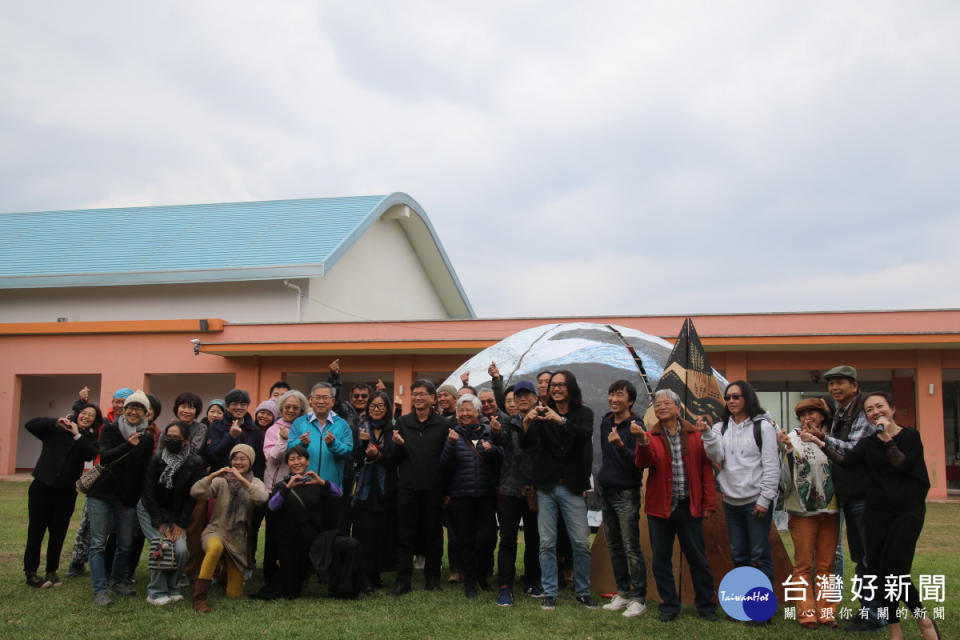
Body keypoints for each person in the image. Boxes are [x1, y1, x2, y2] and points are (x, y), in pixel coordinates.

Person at [809, 392, 939, 640]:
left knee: (896, 572)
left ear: (892, 409)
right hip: (877, 513)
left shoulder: (909, 436)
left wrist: (886, 437)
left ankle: (924, 620)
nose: (875, 412)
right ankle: (895, 630)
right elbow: (847, 461)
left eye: (879, 407)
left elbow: (901, 464)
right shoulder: (869, 443)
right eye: (869, 410)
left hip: (907, 513)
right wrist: (820, 443)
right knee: (879, 573)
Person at [814, 365, 885, 632]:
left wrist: (823, 438)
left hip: (866, 496)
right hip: (850, 494)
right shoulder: (840, 415)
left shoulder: (863, 412)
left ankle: (875, 615)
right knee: (860, 556)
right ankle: (868, 611)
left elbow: (854, 451)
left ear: (854, 385)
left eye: (840, 383)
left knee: (869, 556)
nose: (834, 388)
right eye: (831, 383)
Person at [638, 389, 718, 623]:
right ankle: (669, 605)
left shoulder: (695, 434)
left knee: (698, 558)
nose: (661, 407)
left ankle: (706, 606)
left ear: (677, 407)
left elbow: (706, 470)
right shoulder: (650, 436)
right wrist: (642, 442)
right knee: (661, 559)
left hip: (688, 505)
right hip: (659, 508)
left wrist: (708, 502)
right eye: (657, 404)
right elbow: (644, 462)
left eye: (666, 403)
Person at [520, 370, 597, 610]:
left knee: (581, 543)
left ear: (571, 388)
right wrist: (527, 421)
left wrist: (559, 420)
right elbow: (527, 444)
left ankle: (582, 591)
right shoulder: (542, 414)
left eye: (561, 385)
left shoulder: (584, 413)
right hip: (546, 487)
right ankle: (550, 592)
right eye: (553, 385)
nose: (556, 388)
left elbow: (584, 435)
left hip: (572, 487)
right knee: (546, 543)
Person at [701, 380, 779, 598]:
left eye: (736, 396)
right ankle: (744, 602)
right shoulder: (721, 427)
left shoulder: (762, 426)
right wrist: (707, 435)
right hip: (731, 501)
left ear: (748, 398)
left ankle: (762, 606)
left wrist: (765, 499)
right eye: (728, 398)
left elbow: (772, 465)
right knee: (738, 554)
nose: (731, 401)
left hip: (755, 500)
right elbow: (716, 457)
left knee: (760, 554)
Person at [85, 390, 156, 606]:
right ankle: (99, 589)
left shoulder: (147, 437)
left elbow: (144, 469)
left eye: (139, 409)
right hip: (101, 494)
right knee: (98, 543)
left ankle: (117, 581)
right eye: (130, 407)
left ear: (145, 413)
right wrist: (128, 444)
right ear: (123, 410)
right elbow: (104, 456)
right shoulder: (110, 429)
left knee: (125, 543)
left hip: (127, 498)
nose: (134, 412)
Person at [251, 446, 349, 600]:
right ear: (287, 464)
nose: (296, 462)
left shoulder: (316, 483)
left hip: (316, 537)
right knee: (290, 590)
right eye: (292, 459)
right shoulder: (282, 486)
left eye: (300, 458)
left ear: (308, 461)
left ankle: (342, 586)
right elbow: (272, 506)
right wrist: (288, 488)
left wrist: (322, 482)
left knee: (348, 545)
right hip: (291, 538)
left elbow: (339, 494)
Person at [23, 403, 100, 588]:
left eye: (91, 415)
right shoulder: (56, 430)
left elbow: (90, 454)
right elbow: (31, 425)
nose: (86, 416)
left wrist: (77, 434)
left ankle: (51, 571)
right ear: (77, 414)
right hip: (41, 487)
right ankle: (31, 573)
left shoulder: (89, 439)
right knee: (36, 531)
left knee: (58, 533)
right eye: (84, 413)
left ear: (94, 421)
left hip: (66, 493)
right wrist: (54, 421)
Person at [779, 397, 840, 630]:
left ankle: (827, 612)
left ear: (823, 416)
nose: (808, 418)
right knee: (803, 564)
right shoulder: (791, 439)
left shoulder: (832, 440)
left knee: (826, 564)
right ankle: (806, 614)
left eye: (813, 413)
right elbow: (783, 475)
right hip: (801, 510)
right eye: (804, 415)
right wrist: (783, 448)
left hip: (831, 508)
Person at [387, 379, 449, 595]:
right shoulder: (402, 422)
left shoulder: (442, 425)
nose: (418, 398)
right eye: (414, 394)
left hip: (434, 489)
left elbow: (447, 460)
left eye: (423, 394)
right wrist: (398, 447)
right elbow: (393, 460)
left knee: (433, 534)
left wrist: (446, 491)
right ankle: (403, 580)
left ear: (433, 398)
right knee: (405, 535)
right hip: (407, 488)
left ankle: (432, 578)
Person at [189, 444, 269, 612]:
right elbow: (196, 492)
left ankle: (225, 576)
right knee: (215, 547)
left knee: (234, 593)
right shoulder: (221, 481)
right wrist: (212, 475)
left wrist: (242, 480)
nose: (238, 462)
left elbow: (262, 498)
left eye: (243, 458)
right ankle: (199, 597)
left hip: (238, 537)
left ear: (250, 461)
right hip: (217, 530)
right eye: (235, 458)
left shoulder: (255, 482)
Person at [136, 422, 205, 605]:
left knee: (181, 550)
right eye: (169, 437)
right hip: (151, 510)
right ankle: (156, 592)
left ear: (186, 441)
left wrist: (180, 523)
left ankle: (172, 587)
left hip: (176, 514)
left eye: (177, 438)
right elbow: (148, 492)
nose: (172, 441)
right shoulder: (157, 458)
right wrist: (159, 522)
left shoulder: (195, 462)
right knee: (163, 544)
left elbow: (192, 497)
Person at [441, 394, 502, 598]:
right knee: (465, 540)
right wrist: (450, 444)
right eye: (461, 410)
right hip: (461, 496)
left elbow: (501, 461)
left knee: (488, 538)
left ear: (477, 412)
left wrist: (492, 449)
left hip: (485, 495)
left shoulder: (488, 432)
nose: (465, 413)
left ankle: (482, 575)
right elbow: (444, 465)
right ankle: (469, 582)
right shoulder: (452, 435)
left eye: (469, 410)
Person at [598, 380, 647, 618]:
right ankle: (623, 592)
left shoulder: (637, 425)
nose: (613, 399)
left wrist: (620, 445)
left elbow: (638, 463)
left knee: (631, 547)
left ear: (630, 400)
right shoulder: (605, 421)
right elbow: (605, 457)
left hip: (626, 493)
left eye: (619, 395)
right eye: (611, 394)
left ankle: (639, 597)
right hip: (606, 491)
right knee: (614, 545)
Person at [494, 380, 541, 606]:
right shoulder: (507, 423)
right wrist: (495, 434)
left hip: (535, 490)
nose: (522, 399)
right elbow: (500, 440)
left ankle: (532, 580)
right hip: (509, 489)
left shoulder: (543, 421)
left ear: (535, 397)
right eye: (518, 396)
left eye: (527, 395)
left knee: (535, 539)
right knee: (508, 540)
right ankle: (505, 586)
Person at [352, 391, 398, 590]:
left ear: (387, 409)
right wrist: (362, 444)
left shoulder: (393, 430)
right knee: (364, 533)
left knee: (383, 533)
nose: (376, 410)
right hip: (364, 488)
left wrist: (378, 455)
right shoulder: (361, 429)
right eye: (373, 406)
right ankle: (364, 575)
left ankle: (377, 573)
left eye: (380, 406)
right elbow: (353, 458)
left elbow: (396, 459)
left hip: (387, 488)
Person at [261, 389, 308, 579]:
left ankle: (296, 570)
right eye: (287, 407)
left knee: (296, 530)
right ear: (281, 408)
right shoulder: (274, 429)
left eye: (295, 407)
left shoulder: (305, 427)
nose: (291, 410)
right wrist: (283, 439)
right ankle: (270, 570)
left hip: (300, 488)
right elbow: (272, 458)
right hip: (276, 487)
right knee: (274, 531)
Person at [287, 382, 353, 488]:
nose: (321, 401)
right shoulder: (299, 422)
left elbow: (348, 453)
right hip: (303, 484)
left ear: (333, 401)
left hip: (331, 485)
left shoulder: (342, 424)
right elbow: (289, 449)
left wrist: (333, 444)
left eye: (325, 398)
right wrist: (301, 443)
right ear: (310, 400)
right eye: (317, 397)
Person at [205, 389, 259, 470]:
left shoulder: (253, 428)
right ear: (227, 406)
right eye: (234, 404)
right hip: (222, 475)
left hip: (246, 477)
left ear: (247, 406)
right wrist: (230, 436)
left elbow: (258, 458)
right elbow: (211, 456)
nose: (239, 407)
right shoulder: (217, 426)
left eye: (243, 404)